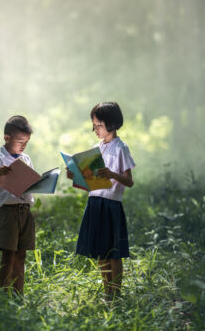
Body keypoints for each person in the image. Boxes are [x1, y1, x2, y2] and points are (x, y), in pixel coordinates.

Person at [66, 102, 135, 297]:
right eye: (93, 125)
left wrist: (112, 174)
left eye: (98, 125)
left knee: (114, 252)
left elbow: (129, 181)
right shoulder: (96, 148)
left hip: (111, 204)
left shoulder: (121, 148)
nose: (94, 129)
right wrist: (75, 175)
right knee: (101, 251)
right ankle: (107, 292)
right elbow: (89, 181)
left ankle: (116, 294)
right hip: (94, 202)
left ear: (112, 124)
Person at [0, 115, 35, 295]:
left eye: (27, 141)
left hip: (25, 211)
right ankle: (5, 294)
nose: (23, 145)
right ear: (7, 138)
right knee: (8, 255)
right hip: (7, 212)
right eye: (20, 141)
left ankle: (18, 293)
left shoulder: (26, 159)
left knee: (21, 254)